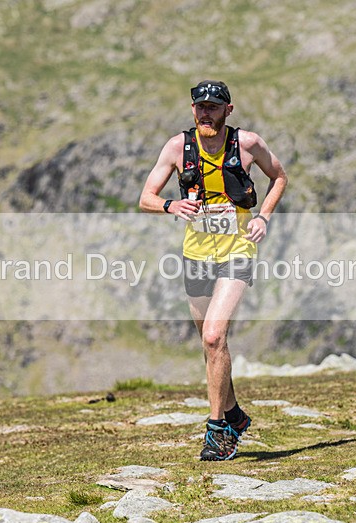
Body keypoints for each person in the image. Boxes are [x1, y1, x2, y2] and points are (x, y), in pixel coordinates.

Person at [139, 80, 288, 461]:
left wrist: (264, 217)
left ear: (228, 110)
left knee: (213, 336)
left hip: (237, 249)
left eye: (213, 107)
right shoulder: (178, 148)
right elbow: (146, 198)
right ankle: (235, 415)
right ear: (192, 111)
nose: (206, 113)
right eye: (200, 107)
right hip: (196, 254)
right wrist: (170, 206)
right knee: (212, 347)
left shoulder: (248, 144)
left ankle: (218, 430)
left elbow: (279, 177)